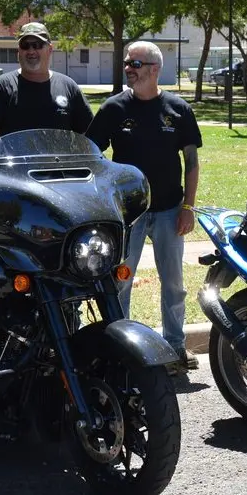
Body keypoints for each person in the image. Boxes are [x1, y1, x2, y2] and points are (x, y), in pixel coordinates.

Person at [86, 40, 202, 374]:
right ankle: (120, 352)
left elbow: (191, 162)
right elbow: (92, 156)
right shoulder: (113, 109)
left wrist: (188, 208)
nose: (128, 69)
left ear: (154, 69)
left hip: (169, 210)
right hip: (127, 214)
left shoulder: (178, 109)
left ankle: (176, 348)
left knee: (173, 282)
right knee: (121, 281)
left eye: (134, 64)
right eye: (126, 63)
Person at [0, 22, 93, 136]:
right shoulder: (1, 87)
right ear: (19, 51)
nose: (31, 51)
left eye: (37, 45)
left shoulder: (69, 87)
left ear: (50, 49)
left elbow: (87, 133)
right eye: (25, 45)